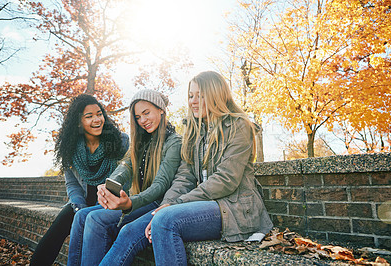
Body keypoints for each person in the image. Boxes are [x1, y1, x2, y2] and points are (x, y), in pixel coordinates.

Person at [89, 70, 273, 266]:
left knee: (166, 221)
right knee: (129, 230)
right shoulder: (194, 132)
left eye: (200, 95)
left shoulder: (239, 126)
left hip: (235, 208)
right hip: (205, 204)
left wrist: (175, 205)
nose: (193, 101)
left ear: (216, 94)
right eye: (190, 95)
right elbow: (183, 179)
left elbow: (226, 180)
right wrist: (164, 206)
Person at [67, 89, 182, 266]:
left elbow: (161, 184)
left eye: (146, 113)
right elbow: (125, 166)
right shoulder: (141, 141)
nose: (142, 120)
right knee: (81, 215)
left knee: (96, 218)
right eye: (137, 117)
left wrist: (130, 203)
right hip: (140, 201)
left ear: (161, 109)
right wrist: (108, 186)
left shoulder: (173, 142)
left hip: (156, 203)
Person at [30, 94, 129, 266]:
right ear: (78, 122)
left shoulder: (120, 141)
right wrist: (77, 206)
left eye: (99, 114)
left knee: (90, 224)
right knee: (55, 232)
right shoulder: (69, 149)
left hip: (109, 201)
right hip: (82, 200)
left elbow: (127, 177)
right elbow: (72, 184)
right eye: (89, 116)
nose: (97, 119)